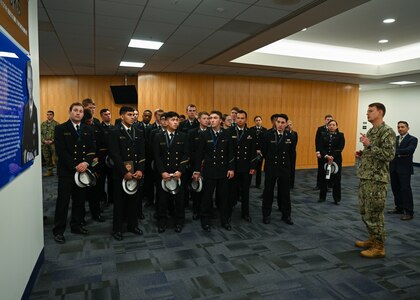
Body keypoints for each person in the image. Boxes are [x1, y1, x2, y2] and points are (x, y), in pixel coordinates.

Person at [355, 102, 396, 258]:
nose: (367, 114)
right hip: (366, 177)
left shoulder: (387, 132)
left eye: (371, 111)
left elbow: (389, 155)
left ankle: (379, 247)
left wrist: (370, 145)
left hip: (377, 180)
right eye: (367, 111)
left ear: (380, 112)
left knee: (375, 213)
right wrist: (362, 153)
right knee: (365, 211)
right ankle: (372, 239)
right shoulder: (372, 131)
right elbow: (372, 152)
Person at [52, 103, 96, 244]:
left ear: (83, 114)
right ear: (70, 112)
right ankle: (59, 231)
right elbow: (61, 151)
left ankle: (76, 225)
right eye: (75, 110)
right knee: (63, 202)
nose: (78, 113)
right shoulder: (60, 128)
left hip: (83, 170)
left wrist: (86, 163)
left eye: (81, 111)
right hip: (67, 171)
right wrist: (75, 165)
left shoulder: (88, 129)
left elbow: (92, 148)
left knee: (79, 200)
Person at [193, 111, 234, 232]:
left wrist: (231, 168)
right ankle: (205, 220)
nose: (212, 120)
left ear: (221, 120)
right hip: (209, 170)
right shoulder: (204, 134)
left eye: (215, 118)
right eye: (210, 118)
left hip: (223, 170)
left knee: (224, 197)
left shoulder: (227, 133)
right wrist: (196, 171)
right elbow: (199, 154)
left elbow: (231, 153)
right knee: (207, 197)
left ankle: (225, 220)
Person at [108, 106, 145, 241]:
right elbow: (115, 154)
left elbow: (142, 153)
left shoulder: (138, 131)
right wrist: (124, 172)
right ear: (122, 116)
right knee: (119, 202)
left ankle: (132, 225)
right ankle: (117, 229)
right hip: (121, 173)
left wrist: (140, 169)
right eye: (129, 114)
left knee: (134, 201)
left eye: (134, 114)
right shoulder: (114, 131)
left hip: (136, 172)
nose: (133, 117)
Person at [153, 111, 189, 233]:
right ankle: (162, 222)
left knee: (179, 200)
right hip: (164, 174)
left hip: (178, 173)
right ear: (166, 122)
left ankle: (179, 222)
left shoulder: (183, 136)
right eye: (173, 120)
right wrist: (162, 172)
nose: (175, 122)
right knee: (162, 200)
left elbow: (185, 155)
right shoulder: (158, 136)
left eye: (177, 120)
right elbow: (157, 156)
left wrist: (180, 170)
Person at [261, 114, 294, 225]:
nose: (280, 124)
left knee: (285, 193)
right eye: (278, 122)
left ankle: (286, 215)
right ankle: (266, 215)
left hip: (284, 168)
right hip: (271, 167)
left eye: (282, 122)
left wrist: (291, 170)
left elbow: (291, 153)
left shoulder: (290, 136)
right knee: (268, 192)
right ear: (275, 123)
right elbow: (264, 152)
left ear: (286, 124)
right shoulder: (268, 134)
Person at [228, 110, 258, 222]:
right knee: (232, 191)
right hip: (234, 167)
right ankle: (229, 212)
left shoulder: (251, 132)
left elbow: (253, 151)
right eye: (238, 118)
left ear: (246, 119)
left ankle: (245, 213)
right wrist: (230, 167)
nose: (240, 120)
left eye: (242, 118)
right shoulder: (230, 131)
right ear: (235, 119)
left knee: (245, 191)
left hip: (246, 167)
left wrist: (253, 166)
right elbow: (228, 151)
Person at [389, 121, 418, 220]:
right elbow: (390, 150)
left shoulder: (413, 139)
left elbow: (410, 150)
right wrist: (401, 154)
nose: (400, 129)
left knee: (405, 190)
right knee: (395, 188)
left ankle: (409, 212)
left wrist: (394, 152)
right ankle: (399, 208)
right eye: (398, 127)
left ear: (407, 128)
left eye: (402, 127)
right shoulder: (394, 138)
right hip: (393, 167)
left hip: (404, 169)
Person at [81, 109, 106, 223]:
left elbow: (102, 144)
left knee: (95, 189)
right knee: (80, 191)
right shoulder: (79, 128)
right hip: (81, 163)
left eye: (91, 121)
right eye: (88, 122)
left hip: (95, 162)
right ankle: (80, 216)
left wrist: (98, 158)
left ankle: (96, 213)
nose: (91, 123)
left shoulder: (97, 124)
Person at [188, 111, 210, 220]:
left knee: (208, 189)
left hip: (208, 165)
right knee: (196, 188)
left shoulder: (211, 132)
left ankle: (206, 209)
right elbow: (190, 150)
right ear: (199, 120)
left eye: (208, 118)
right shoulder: (192, 132)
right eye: (204, 118)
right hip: (195, 164)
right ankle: (196, 210)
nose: (207, 120)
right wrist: (198, 161)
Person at [318, 120, 345, 204]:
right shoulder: (323, 135)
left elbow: (340, 148)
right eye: (330, 125)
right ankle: (322, 197)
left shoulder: (340, 135)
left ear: (336, 126)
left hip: (336, 160)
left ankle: (336, 199)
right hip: (325, 160)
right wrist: (326, 156)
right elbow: (320, 147)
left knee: (336, 180)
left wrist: (332, 156)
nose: (332, 126)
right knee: (324, 179)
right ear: (327, 126)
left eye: (333, 125)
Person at [21, 61, 39, 164]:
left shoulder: (35, 109)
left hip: (33, 147)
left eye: (32, 80)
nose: (30, 84)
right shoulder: (25, 107)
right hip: (26, 149)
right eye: (28, 80)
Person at [99, 108, 115, 205]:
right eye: (105, 114)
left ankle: (111, 198)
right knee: (101, 179)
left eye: (109, 114)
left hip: (112, 157)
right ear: (101, 116)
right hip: (101, 157)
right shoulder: (99, 128)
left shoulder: (114, 128)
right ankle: (102, 198)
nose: (108, 116)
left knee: (112, 179)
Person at [314, 114, 333, 190]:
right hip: (321, 153)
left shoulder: (333, 129)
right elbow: (317, 141)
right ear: (325, 120)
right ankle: (318, 185)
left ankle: (327, 185)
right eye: (328, 119)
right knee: (321, 169)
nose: (329, 121)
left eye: (330, 119)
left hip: (330, 153)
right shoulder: (320, 129)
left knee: (329, 169)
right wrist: (317, 152)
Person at [249, 116, 267, 189]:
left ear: (261, 121)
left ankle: (258, 184)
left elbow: (265, 142)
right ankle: (248, 183)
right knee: (250, 168)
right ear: (254, 121)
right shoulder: (251, 129)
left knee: (259, 169)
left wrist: (260, 150)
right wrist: (254, 149)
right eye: (256, 120)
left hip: (260, 153)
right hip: (252, 152)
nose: (258, 121)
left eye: (259, 120)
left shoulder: (265, 130)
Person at [41, 110, 59, 176]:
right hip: (45, 143)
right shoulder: (43, 124)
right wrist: (43, 140)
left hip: (53, 144)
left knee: (56, 158)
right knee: (47, 158)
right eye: (47, 114)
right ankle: (50, 171)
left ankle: (59, 171)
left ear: (53, 115)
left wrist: (52, 140)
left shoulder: (57, 124)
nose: (49, 116)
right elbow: (40, 133)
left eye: (50, 114)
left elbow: (58, 134)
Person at [286, 120, 298, 189]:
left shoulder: (295, 133)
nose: (289, 126)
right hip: (285, 153)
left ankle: (291, 184)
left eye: (290, 125)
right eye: (288, 125)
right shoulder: (284, 133)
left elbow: (295, 144)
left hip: (292, 153)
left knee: (292, 169)